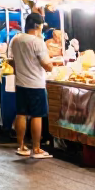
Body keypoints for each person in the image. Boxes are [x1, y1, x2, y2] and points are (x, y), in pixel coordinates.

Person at [10, 14, 55, 159]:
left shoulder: (16, 39)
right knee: (37, 115)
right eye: (41, 26)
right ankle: (36, 148)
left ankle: (22, 146)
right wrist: (53, 64)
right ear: (37, 26)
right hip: (36, 84)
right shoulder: (37, 41)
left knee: (21, 113)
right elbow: (46, 65)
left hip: (21, 83)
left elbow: (11, 61)